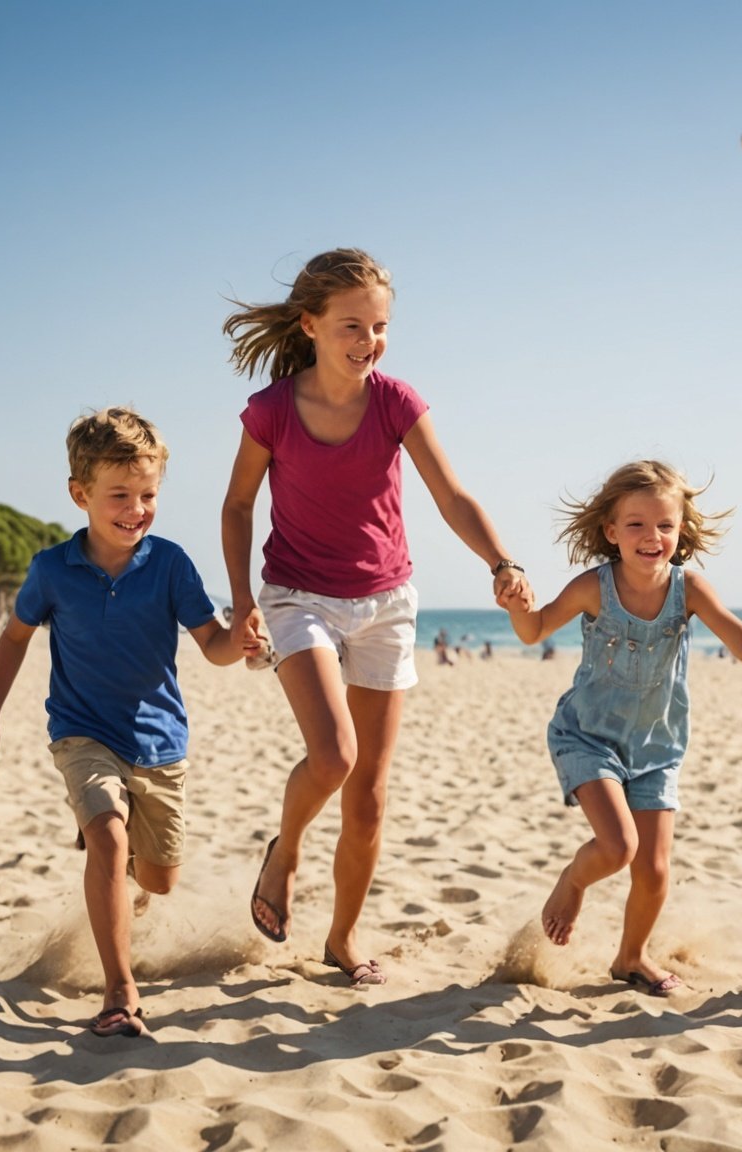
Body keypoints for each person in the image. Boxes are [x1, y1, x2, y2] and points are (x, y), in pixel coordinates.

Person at [220, 248, 533, 986]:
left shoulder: (395, 402)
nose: (369, 340)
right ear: (310, 325)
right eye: (352, 325)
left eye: (381, 326)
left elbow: (452, 495)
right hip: (298, 596)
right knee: (333, 755)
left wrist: (502, 562)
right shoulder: (271, 412)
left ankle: (343, 938)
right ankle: (286, 850)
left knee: (368, 796)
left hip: (386, 604)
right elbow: (237, 506)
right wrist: (240, 603)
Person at [0, 406, 247, 1039]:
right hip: (81, 733)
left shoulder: (171, 564)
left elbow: (213, 644)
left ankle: (109, 848)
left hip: (160, 742)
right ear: (80, 494)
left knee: (159, 879)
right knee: (111, 839)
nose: (135, 508)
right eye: (119, 494)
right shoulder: (52, 569)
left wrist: (241, 641)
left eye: (147, 495)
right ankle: (120, 991)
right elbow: (13, 640)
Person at [505, 461, 742, 996]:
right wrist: (518, 607)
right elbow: (533, 632)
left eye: (665, 525)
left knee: (655, 870)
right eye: (637, 524)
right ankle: (573, 881)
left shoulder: (689, 592)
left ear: (681, 532)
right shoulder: (592, 588)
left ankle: (631, 957)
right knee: (617, 847)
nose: (652, 537)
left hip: (657, 748)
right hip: (588, 736)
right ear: (611, 532)